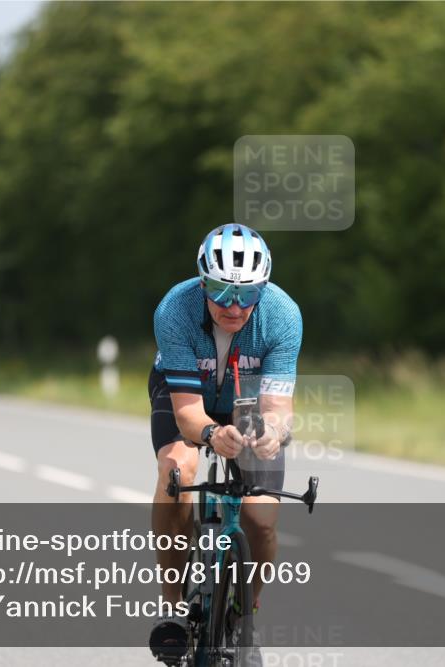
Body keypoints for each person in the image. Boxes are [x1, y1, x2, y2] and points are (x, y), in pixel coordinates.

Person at [148, 224, 302, 663]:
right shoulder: (174, 310)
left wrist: (271, 433)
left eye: (248, 294)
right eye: (221, 292)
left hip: (247, 397)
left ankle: (245, 615)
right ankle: (174, 609)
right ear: (202, 282)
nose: (234, 307)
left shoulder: (283, 315)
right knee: (178, 471)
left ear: (263, 289)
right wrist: (213, 435)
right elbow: (189, 414)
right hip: (189, 396)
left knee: (261, 518)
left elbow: (278, 408)